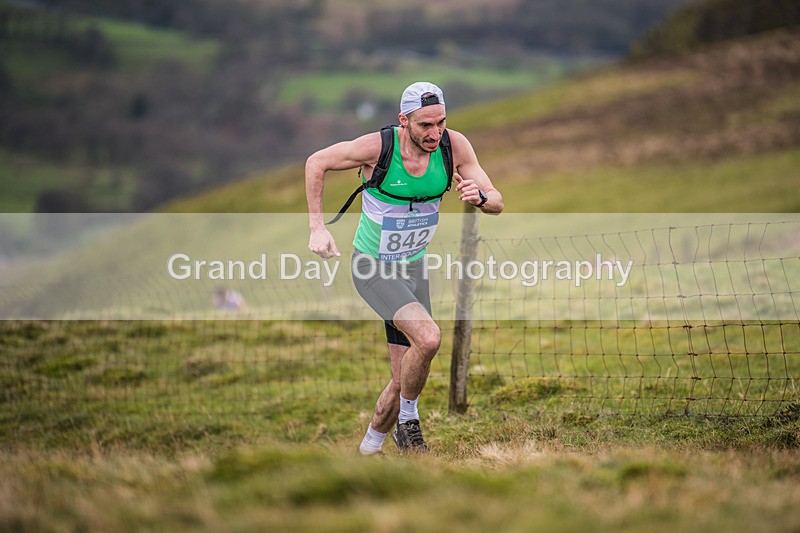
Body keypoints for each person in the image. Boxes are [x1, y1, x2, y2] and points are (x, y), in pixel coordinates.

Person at [305, 82, 503, 455]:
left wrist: (480, 198)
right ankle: (409, 423)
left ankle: (367, 450)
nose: (435, 133)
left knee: (402, 378)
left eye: (440, 122)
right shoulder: (378, 147)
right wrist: (317, 228)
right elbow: (316, 162)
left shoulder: (454, 146)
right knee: (428, 339)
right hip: (373, 267)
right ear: (404, 121)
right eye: (425, 125)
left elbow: (497, 200)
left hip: (413, 269)